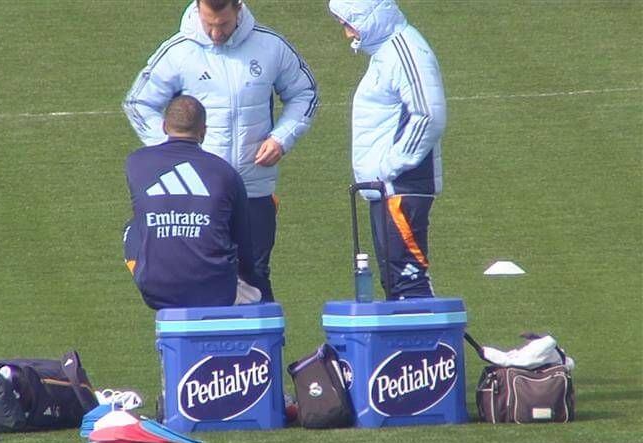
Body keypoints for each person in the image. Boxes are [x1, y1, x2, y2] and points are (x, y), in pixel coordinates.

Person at [123, 0, 319, 301]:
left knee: (254, 274)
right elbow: (138, 103)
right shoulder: (178, 52)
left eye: (223, 24)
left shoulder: (270, 47)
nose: (215, 33)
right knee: (198, 277)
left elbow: (305, 92)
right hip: (200, 195)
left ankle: (257, 334)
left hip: (254, 189)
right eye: (208, 24)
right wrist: (172, 154)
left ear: (238, 9)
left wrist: (281, 138)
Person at [328, 0, 447, 299]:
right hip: (389, 190)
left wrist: (390, 167)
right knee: (396, 285)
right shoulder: (387, 53)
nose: (348, 34)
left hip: (401, 189)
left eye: (349, 23)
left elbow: (429, 116)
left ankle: (425, 333)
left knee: (409, 285)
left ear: (369, 15)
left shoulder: (405, 51)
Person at [123, 95, 266, 310]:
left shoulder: (136, 163)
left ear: (164, 126)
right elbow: (243, 243)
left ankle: (153, 275)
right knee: (254, 293)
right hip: (216, 292)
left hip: (157, 290)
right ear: (204, 131)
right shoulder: (225, 172)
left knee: (133, 227)